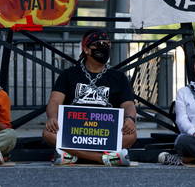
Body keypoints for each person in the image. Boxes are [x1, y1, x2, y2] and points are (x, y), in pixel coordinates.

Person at [42, 29, 137, 166]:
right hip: (75, 130)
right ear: (86, 49)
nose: (104, 48)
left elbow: (128, 104)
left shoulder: (119, 77)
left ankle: (71, 155)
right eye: (98, 44)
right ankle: (104, 158)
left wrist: (130, 119)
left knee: (131, 135)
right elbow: (55, 100)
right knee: (48, 133)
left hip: (105, 131)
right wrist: (52, 117)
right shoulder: (68, 74)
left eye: (107, 44)